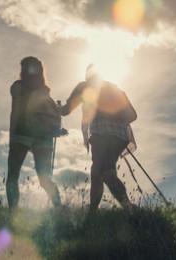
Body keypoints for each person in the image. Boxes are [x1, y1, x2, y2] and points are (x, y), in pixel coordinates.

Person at [59, 64, 137, 213]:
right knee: (96, 172)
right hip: (120, 136)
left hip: (101, 135)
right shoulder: (115, 88)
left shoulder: (84, 86)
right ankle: (92, 212)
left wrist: (55, 108)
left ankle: (129, 208)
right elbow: (132, 116)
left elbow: (66, 110)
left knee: (105, 173)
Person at [7, 56, 61, 210]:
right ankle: (60, 209)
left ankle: (13, 212)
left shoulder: (18, 86)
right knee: (44, 179)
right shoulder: (45, 92)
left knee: (12, 177)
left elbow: (15, 111)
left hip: (21, 134)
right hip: (44, 138)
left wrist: (12, 136)